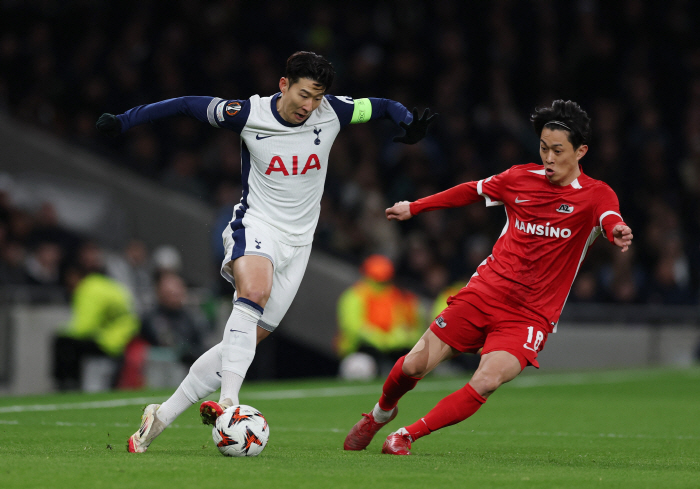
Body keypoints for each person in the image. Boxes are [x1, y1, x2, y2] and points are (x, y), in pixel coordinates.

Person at [96, 51, 437, 453]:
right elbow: (186, 105)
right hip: (256, 227)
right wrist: (124, 120)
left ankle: (160, 418)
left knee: (239, 345)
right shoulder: (247, 113)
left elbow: (380, 106)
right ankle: (229, 404)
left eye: (317, 97)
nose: (309, 106)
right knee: (252, 294)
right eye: (304, 94)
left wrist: (406, 122)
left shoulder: (334, 112)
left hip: (299, 245)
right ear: (283, 85)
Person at [343, 100, 633, 455]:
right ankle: (379, 415)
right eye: (543, 148)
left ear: (581, 150)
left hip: (530, 315)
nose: (549, 158)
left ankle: (406, 435)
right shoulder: (519, 178)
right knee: (415, 364)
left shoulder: (595, 194)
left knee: (486, 380)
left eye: (558, 150)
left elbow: (609, 216)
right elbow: (470, 190)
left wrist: (616, 229)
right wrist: (415, 207)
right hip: (484, 293)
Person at [52, 261, 140, 391]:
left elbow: (84, 327)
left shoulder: (87, 288)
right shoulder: (106, 284)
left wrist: (62, 331)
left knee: (62, 342)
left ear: (74, 276)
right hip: (124, 338)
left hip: (108, 341)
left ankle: (67, 385)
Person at [336, 254, 424, 379]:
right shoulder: (356, 296)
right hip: (361, 350)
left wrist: (397, 339)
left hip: (397, 352)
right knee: (358, 366)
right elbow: (353, 327)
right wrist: (380, 339)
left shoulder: (403, 297)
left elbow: (415, 327)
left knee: (414, 365)